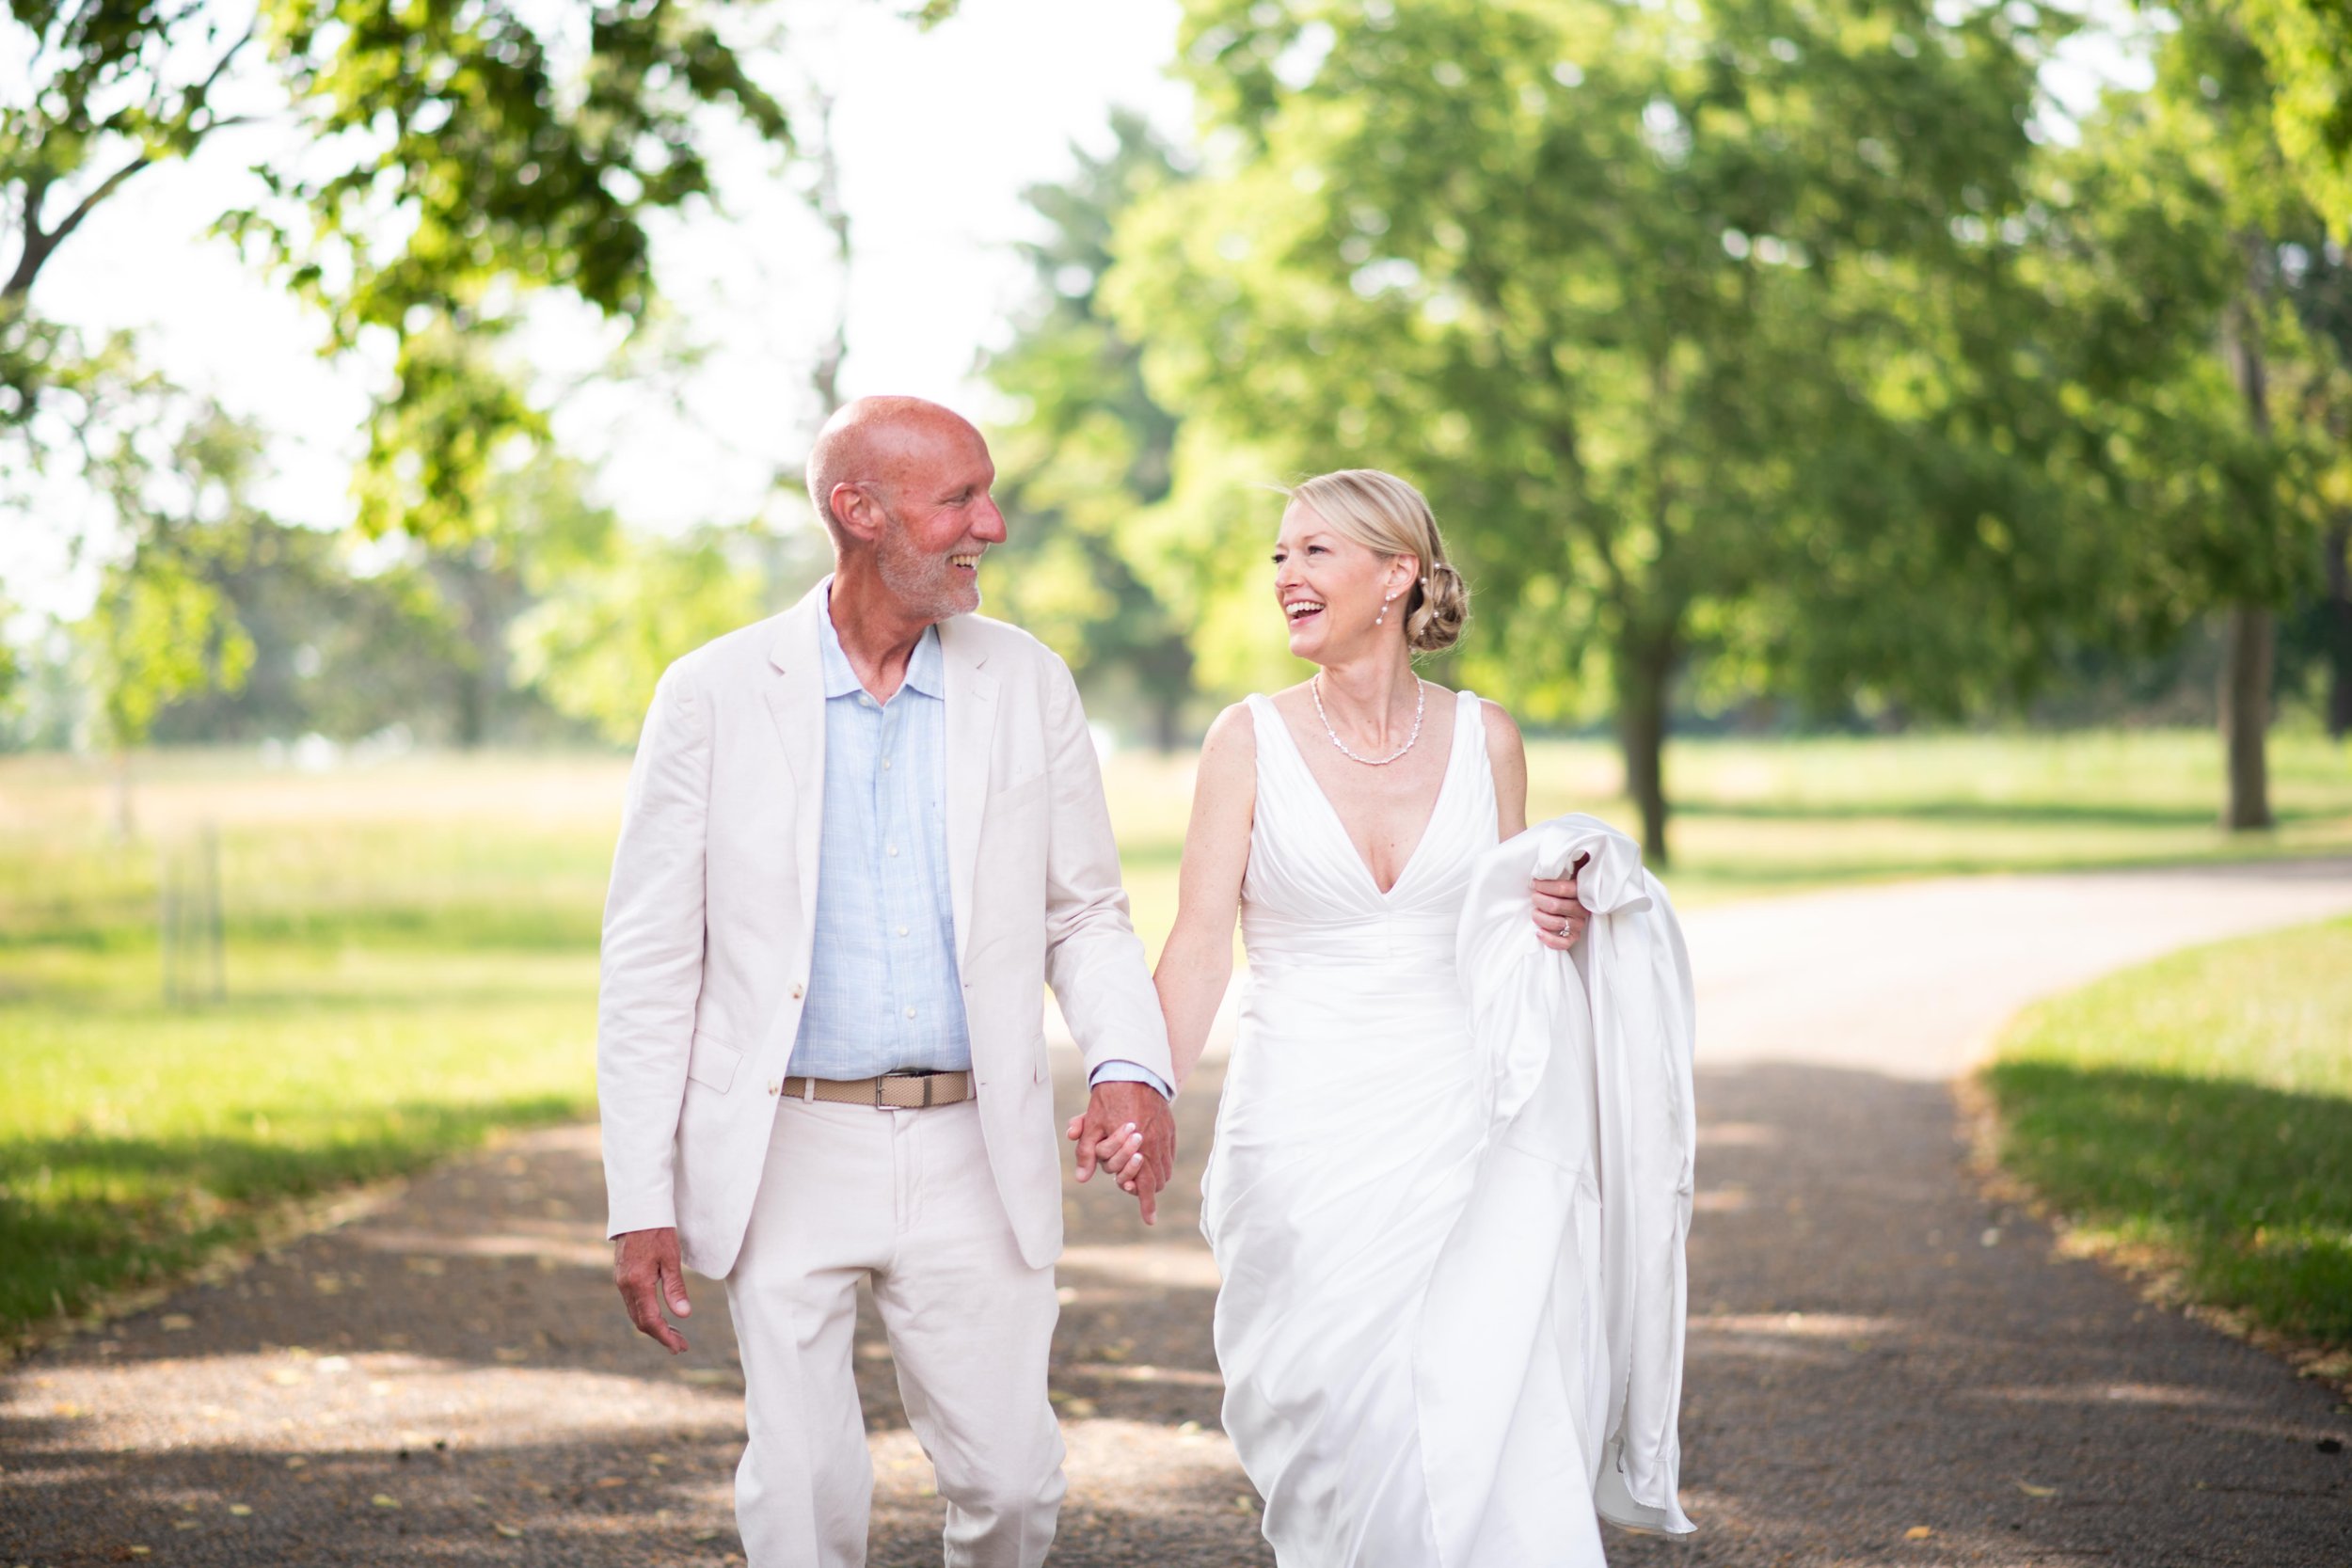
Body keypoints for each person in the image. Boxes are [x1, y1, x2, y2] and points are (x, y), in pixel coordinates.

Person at [596, 395, 1175, 1568]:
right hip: (787, 1144)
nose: (992, 524)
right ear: (858, 513)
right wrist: (637, 1192)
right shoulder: (710, 693)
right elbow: (651, 959)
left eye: (987, 491)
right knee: (804, 1501)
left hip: (974, 1138)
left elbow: (1086, 911)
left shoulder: (1027, 680)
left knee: (1012, 1488)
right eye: (959, 497)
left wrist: (1128, 1064)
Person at [1124, 468, 1693, 1563]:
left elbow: (1508, 936)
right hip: (1300, 1127)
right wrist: (1138, 1087)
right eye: (1279, 556)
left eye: (1314, 552)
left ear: (1396, 575)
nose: (1286, 575)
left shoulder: (1488, 738)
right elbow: (1200, 940)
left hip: (1467, 1117)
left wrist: (1556, 912)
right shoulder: (1243, 740)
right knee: (1333, 1411)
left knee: (1489, 1393)